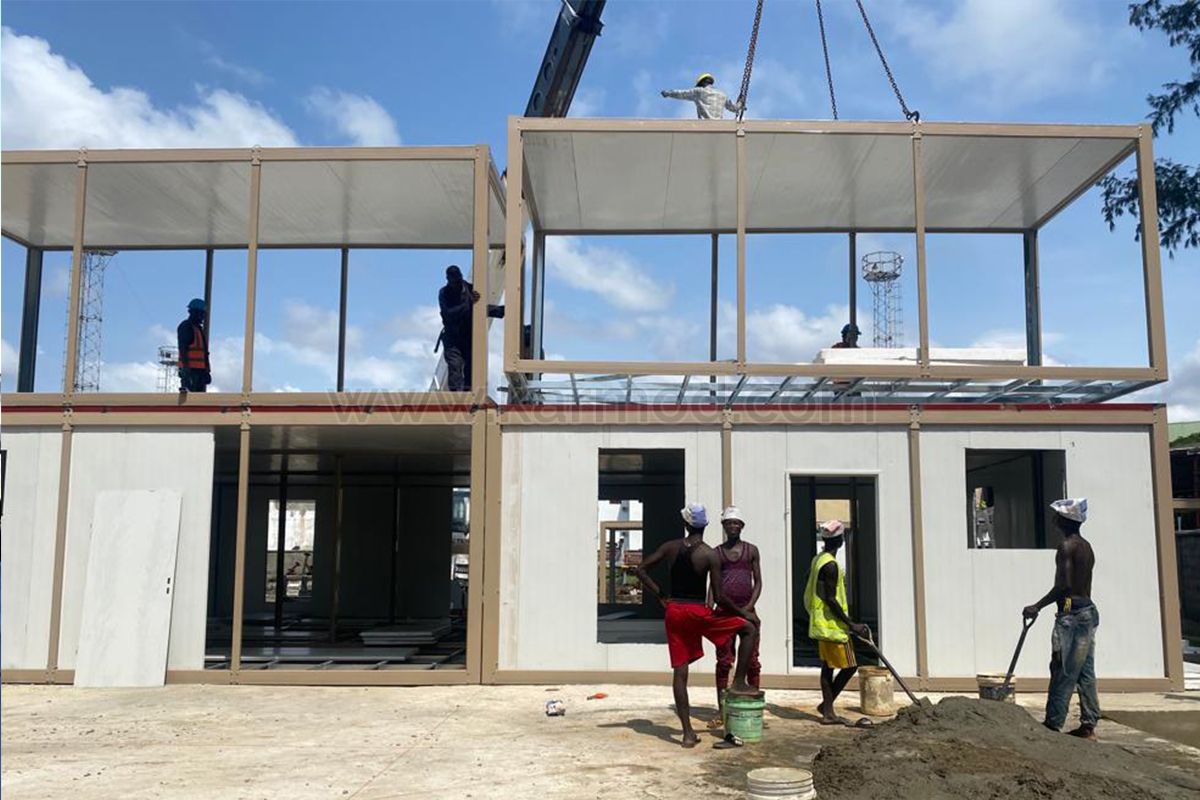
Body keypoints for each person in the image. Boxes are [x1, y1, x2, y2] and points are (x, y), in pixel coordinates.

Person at [635, 503, 760, 748]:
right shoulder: (709, 554)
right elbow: (720, 597)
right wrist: (744, 613)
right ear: (706, 526)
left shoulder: (670, 547)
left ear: (686, 524)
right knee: (748, 629)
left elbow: (641, 570)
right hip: (697, 611)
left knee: (680, 673)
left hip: (674, 612)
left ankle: (687, 734)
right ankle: (738, 681)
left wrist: (661, 596)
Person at [1023, 498, 1100, 741]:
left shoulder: (1066, 547)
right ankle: (1088, 724)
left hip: (1072, 614)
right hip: (1086, 610)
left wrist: (1037, 606)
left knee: (1063, 668)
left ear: (1065, 520)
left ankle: (1053, 722)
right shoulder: (1086, 546)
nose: (1053, 519)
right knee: (1085, 671)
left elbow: (1064, 585)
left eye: (1057, 515)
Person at [804, 519, 871, 726]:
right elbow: (831, 599)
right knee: (850, 666)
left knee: (827, 667)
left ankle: (827, 708)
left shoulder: (819, 559)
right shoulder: (831, 565)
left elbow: (812, 583)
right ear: (841, 541)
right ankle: (828, 710)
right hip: (833, 626)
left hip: (821, 623)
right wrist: (852, 625)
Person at [710, 506, 762, 724]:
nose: (733, 526)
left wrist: (749, 607)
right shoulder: (716, 553)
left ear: (742, 526)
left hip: (747, 611)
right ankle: (722, 709)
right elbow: (713, 586)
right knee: (724, 661)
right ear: (723, 526)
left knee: (752, 661)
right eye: (729, 523)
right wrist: (709, 609)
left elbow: (758, 582)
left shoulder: (751, 551)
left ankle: (752, 705)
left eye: (736, 523)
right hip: (724, 613)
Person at [436, 265, 503, 392]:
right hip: (452, 339)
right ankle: (457, 397)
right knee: (455, 366)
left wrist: (500, 311)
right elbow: (449, 313)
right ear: (448, 280)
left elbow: (478, 309)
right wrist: (468, 303)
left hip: (469, 337)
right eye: (453, 281)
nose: (456, 284)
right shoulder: (444, 293)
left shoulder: (470, 289)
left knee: (471, 368)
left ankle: (468, 395)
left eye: (458, 280)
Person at [661, 73, 743, 120]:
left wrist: (668, 93)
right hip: (719, 126)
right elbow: (734, 108)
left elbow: (682, 94)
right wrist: (740, 103)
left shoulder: (699, 91)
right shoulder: (722, 94)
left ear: (702, 83)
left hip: (705, 126)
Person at [177, 298, 211, 393]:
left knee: (198, 398)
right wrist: (186, 368)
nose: (203, 316)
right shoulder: (186, 326)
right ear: (195, 312)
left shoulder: (198, 329)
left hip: (200, 372)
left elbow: (204, 353)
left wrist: (207, 370)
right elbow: (182, 348)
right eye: (202, 313)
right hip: (190, 371)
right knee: (190, 397)